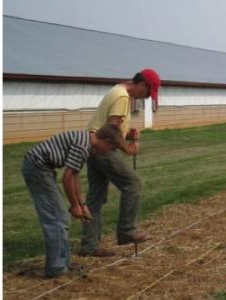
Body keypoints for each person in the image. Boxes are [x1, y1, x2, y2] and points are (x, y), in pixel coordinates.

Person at [22, 124, 125, 277]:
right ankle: (56, 269)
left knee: (61, 218)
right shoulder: (83, 147)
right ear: (106, 141)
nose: (110, 151)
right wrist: (74, 205)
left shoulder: (85, 142)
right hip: (37, 168)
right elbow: (67, 178)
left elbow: (75, 176)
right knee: (57, 219)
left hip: (42, 168)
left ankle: (64, 265)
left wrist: (82, 204)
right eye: (112, 148)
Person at [80, 69, 161, 257]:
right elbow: (110, 130)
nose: (147, 97)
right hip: (101, 147)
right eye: (148, 93)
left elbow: (114, 127)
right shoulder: (122, 97)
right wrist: (128, 147)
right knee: (133, 184)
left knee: (95, 198)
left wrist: (126, 135)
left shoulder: (116, 91)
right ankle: (126, 230)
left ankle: (89, 245)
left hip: (90, 145)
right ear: (142, 85)